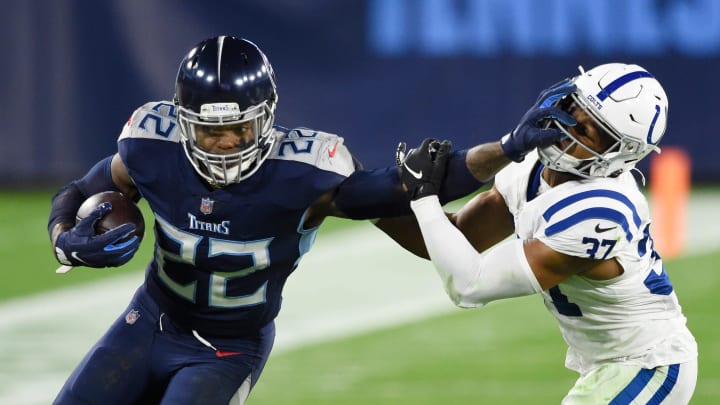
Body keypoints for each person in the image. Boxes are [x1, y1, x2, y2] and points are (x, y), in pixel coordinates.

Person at [47, 35, 566, 404]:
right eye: (209, 132)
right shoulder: (149, 145)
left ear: (267, 120)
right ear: (183, 124)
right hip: (149, 321)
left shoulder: (306, 173)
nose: (226, 144)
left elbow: (406, 185)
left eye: (242, 131)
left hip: (227, 348)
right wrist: (65, 241)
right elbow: (84, 191)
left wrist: (509, 147)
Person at [395, 63, 698, 404]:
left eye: (588, 132)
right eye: (573, 112)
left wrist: (423, 198)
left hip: (648, 364)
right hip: (609, 364)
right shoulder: (530, 168)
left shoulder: (600, 210)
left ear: (620, 154)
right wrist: (359, 199)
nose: (566, 132)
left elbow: (469, 286)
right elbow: (456, 238)